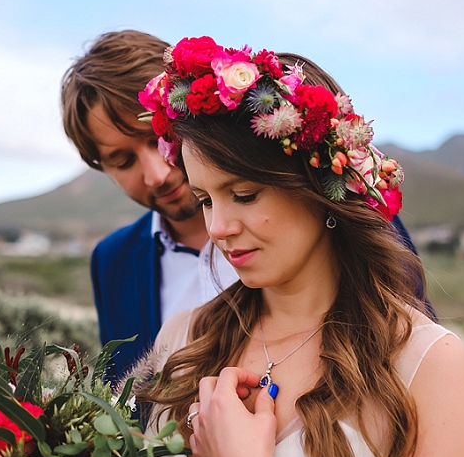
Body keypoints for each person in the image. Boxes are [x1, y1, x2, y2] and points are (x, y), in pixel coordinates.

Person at [138, 36, 464, 457]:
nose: (218, 228)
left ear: (319, 190)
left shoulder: (426, 364)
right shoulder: (181, 341)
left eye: (244, 195)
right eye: (206, 200)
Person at [61, 30, 428, 379]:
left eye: (157, 138)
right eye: (123, 161)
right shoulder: (112, 263)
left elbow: (412, 358)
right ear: (100, 167)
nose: (157, 173)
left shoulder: (357, 223)